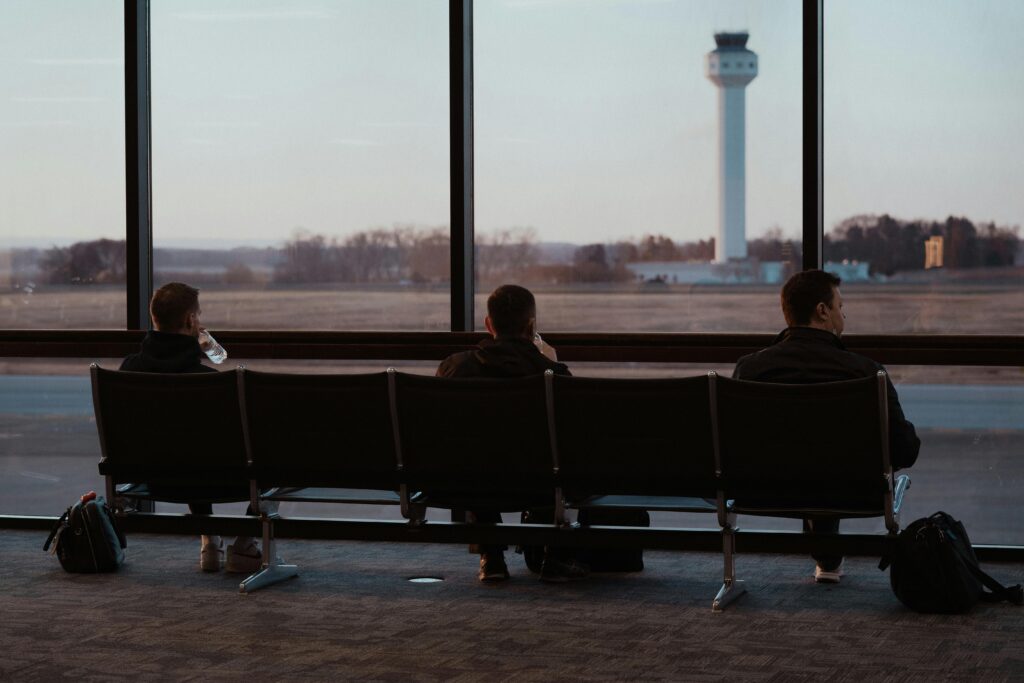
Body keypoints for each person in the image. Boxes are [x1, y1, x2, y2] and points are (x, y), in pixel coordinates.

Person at [733, 269, 920, 584]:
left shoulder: (750, 369)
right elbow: (904, 450)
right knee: (826, 462)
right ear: (822, 311)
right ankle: (828, 556)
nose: (843, 315)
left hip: (763, 491)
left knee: (807, 459)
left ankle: (827, 558)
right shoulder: (866, 373)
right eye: (840, 307)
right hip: (853, 493)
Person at [437, 284, 587, 583]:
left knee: (476, 454)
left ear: (488, 324)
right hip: (538, 485)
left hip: (468, 484)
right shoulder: (553, 376)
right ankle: (552, 554)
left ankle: (491, 556)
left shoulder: (455, 369)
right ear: (531, 326)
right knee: (552, 455)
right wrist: (550, 361)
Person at [121, 282, 262, 575]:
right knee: (219, 453)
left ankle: (209, 539)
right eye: (197, 315)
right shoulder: (206, 380)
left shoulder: (128, 370)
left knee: (185, 451)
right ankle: (244, 545)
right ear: (190, 321)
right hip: (214, 479)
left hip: (149, 478)